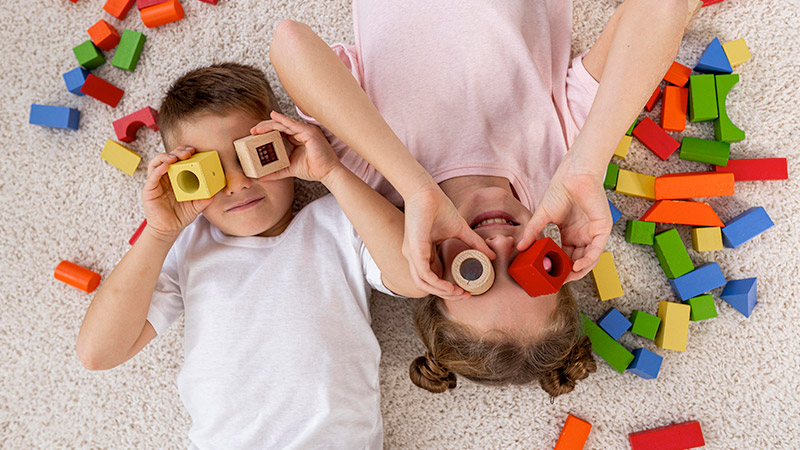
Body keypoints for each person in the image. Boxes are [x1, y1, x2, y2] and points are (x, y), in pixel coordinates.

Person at [266, 0, 689, 396]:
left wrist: (415, 186)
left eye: (476, 270)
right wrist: (587, 165)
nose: (502, 244)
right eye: (531, 267)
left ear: (431, 268)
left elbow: (289, 41)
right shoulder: (560, 160)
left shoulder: (376, 166)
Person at [75, 63, 426, 448]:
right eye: (208, 171)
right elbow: (97, 353)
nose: (238, 184)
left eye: (253, 156)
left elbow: (414, 276)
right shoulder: (189, 245)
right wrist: (160, 233)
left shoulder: (338, 220)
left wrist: (331, 173)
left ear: (286, 146)